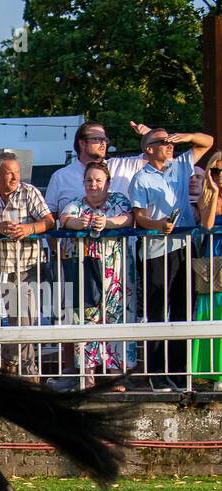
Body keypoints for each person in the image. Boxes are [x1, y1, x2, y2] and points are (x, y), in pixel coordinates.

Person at [130, 127, 215, 390]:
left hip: (184, 247)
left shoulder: (179, 165)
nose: (169, 146)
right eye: (163, 142)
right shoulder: (140, 178)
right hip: (156, 250)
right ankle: (156, 372)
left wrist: (186, 137)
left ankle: (179, 372)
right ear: (148, 149)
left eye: (170, 142)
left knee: (183, 311)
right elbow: (139, 217)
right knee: (157, 312)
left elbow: (208, 142)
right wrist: (157, 224)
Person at [0, 152, 55, 377]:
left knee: (24, 316)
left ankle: (25, 368)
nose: (14, 178)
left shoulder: (29, 191)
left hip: (27, 265)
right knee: (14, 317)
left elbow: (49, 221)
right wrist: (1, 227)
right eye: (9, 173)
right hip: (0, 265)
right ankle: (17, 366)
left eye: (17, 173)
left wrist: (28, 229)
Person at [57, 161, 134, 384]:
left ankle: (116, 376)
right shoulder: (75, 203)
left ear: (107, 183)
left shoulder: (118, 200)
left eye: (98, 180)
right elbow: (64, 219)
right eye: (89, 180)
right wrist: (79, 223)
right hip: (85, 269)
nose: (93, 184)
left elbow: (128, 217)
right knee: (86, 317)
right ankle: (87, 376)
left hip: (115, 271)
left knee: (116, 317)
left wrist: (108, 222)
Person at [47, 121, 154, 213]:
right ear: (83, 143)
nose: (103, 143)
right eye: (98, 139)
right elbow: (50, 217)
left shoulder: (120, 166)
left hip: (118, 236)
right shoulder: (60, 176)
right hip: (76, 236)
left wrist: (151, 136)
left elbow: (157, 158)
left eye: (105, 139)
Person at [191, 149, 222, 385]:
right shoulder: (207, 197)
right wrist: (212, 189)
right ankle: (210, 372)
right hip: (213, 255)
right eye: (215, 170)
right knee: (211, 311)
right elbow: (208, 225)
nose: (219, 174)